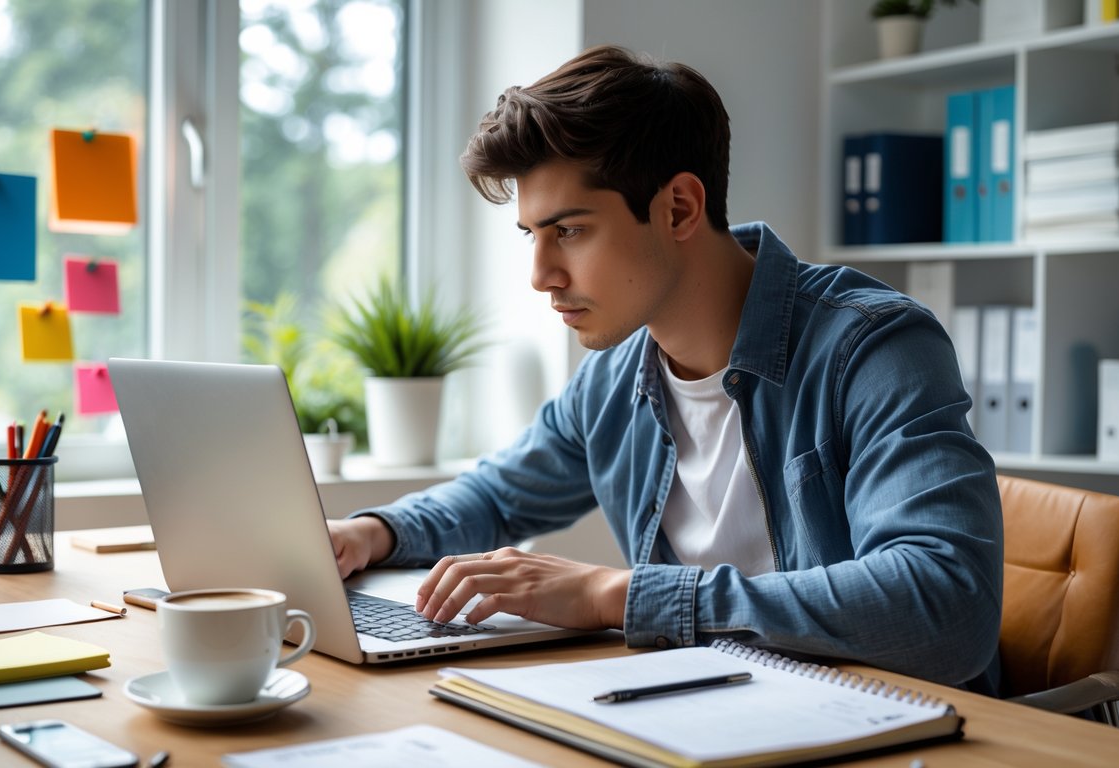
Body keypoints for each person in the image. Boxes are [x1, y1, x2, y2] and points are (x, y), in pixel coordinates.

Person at [327, 44, 1003, 693]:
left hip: (888, 726)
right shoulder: (615, 377)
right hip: (707, 711)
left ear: (678, 207)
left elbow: (947, 603)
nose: (540, 275)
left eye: (569, 231)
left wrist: (613, 595)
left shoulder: (873, 348)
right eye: (532, 235)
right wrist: (371, 534)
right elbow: (498, 497)